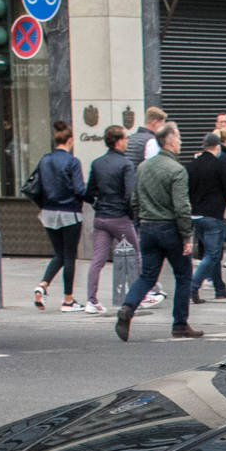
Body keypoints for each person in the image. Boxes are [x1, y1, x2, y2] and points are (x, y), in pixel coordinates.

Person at [119, 121, 204, 341]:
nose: (181, 142)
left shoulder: (143, 167)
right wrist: (187, 235)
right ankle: (180, 323)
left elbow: (134, 200)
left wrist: (142, 221)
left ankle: (128, 307)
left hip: (148, 227)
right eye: (179, 138)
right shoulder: (177, 170)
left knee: (148, 276)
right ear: (171, 141)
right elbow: (181, 207)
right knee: (183, 276)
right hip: (170, 228)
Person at [80, 124, 140, 314]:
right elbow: (130, 193)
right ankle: (143, 294)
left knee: (98, 259)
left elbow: (89, 192)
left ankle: (91, 300)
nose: (128, 142)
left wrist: (98, 205)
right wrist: (129, 213)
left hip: (101, 217)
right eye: (126, 138)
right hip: (119, 216)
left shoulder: (97, 163)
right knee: (137, 253)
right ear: (119, 141)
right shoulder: (126, 164)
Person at [29, 121, 87, 309]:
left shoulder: (45, 159)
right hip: (70, 213)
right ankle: (68, 300)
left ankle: (43, 285)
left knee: (59, 254)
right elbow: (79, 189)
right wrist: (92, 196)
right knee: (70, 255)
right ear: (70, 140)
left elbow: (37, 185)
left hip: (48, 213)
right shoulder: (72, 162)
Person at [185, 130, 226, 303]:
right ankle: (192, 286)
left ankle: (219, 288)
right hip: (214, 215)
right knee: (213, 254)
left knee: (211, 253)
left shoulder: (191, 165)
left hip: (196, 215)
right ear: (217, 147)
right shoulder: (219, 165)